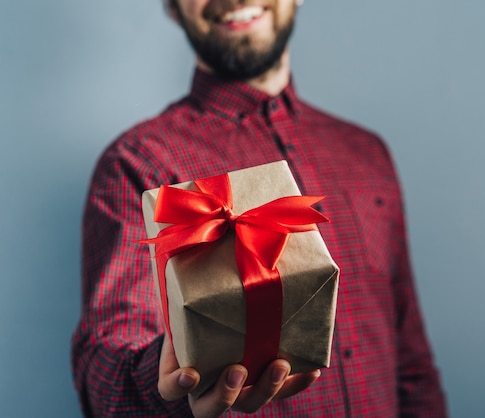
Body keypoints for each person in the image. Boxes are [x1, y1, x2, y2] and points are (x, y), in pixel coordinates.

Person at [71, 0, 447, 416]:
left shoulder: (367, 155)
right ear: (172, 7)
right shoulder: (139, 163)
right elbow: (102, 372)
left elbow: (411, 363)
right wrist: (170, 384)